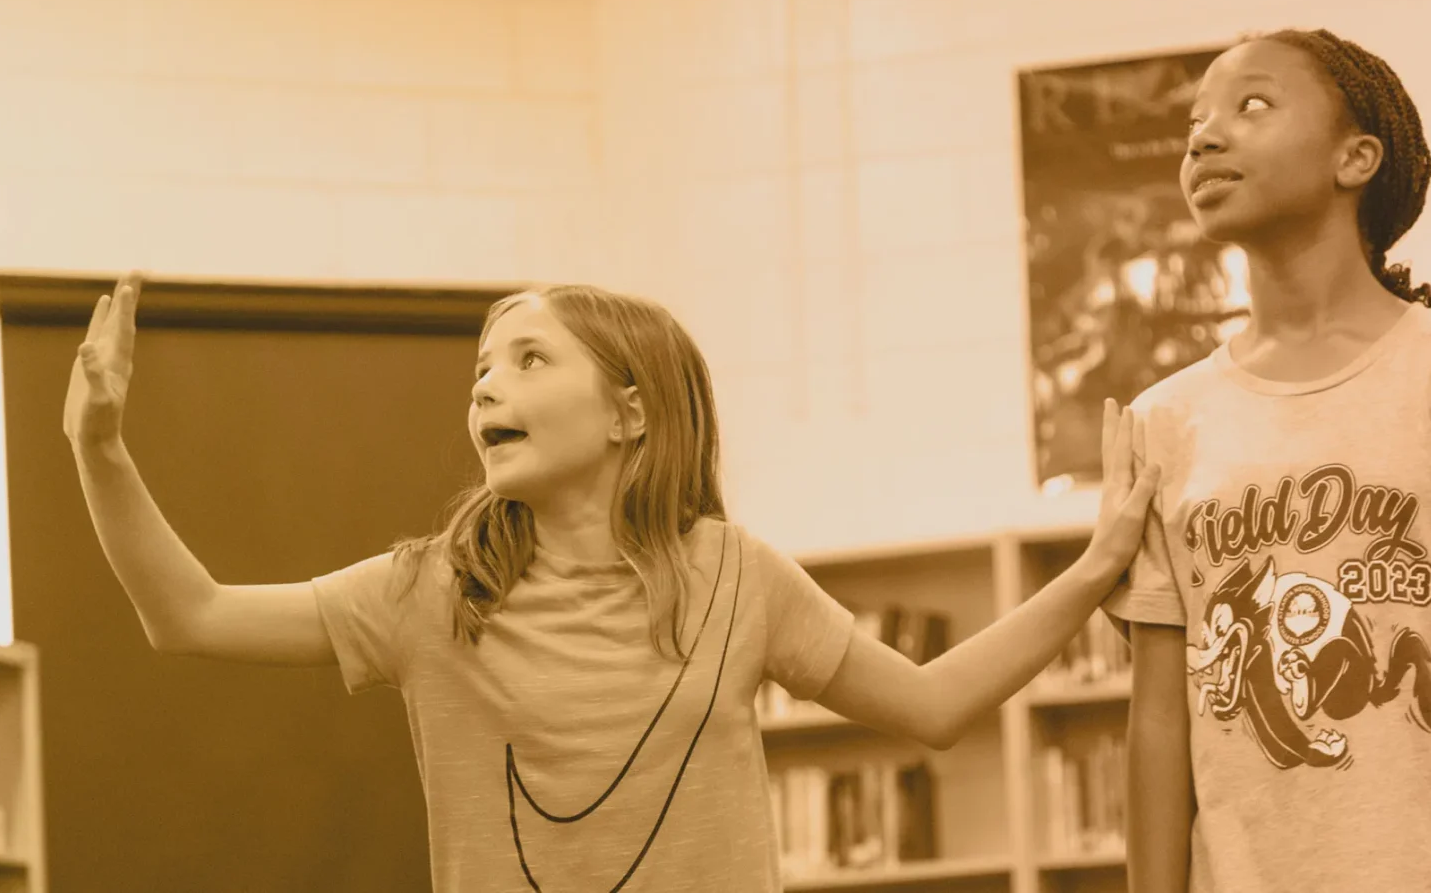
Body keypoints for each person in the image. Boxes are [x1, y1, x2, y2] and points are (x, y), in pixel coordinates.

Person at [64, 275, 1160, 893]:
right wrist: (101, 448)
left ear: (631, 412)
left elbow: (934, 707)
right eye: (482, 369)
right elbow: (188, 615)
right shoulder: (433, 593)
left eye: (529, 359)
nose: (489, 385)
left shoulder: (738, 577)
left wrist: (1098, 566)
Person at [1105, 29, 1431, 893]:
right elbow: (1158, 713)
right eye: (1194, 123)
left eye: (1250, 106)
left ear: (1355, 157)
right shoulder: (1161, 422)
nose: (1203, 138)